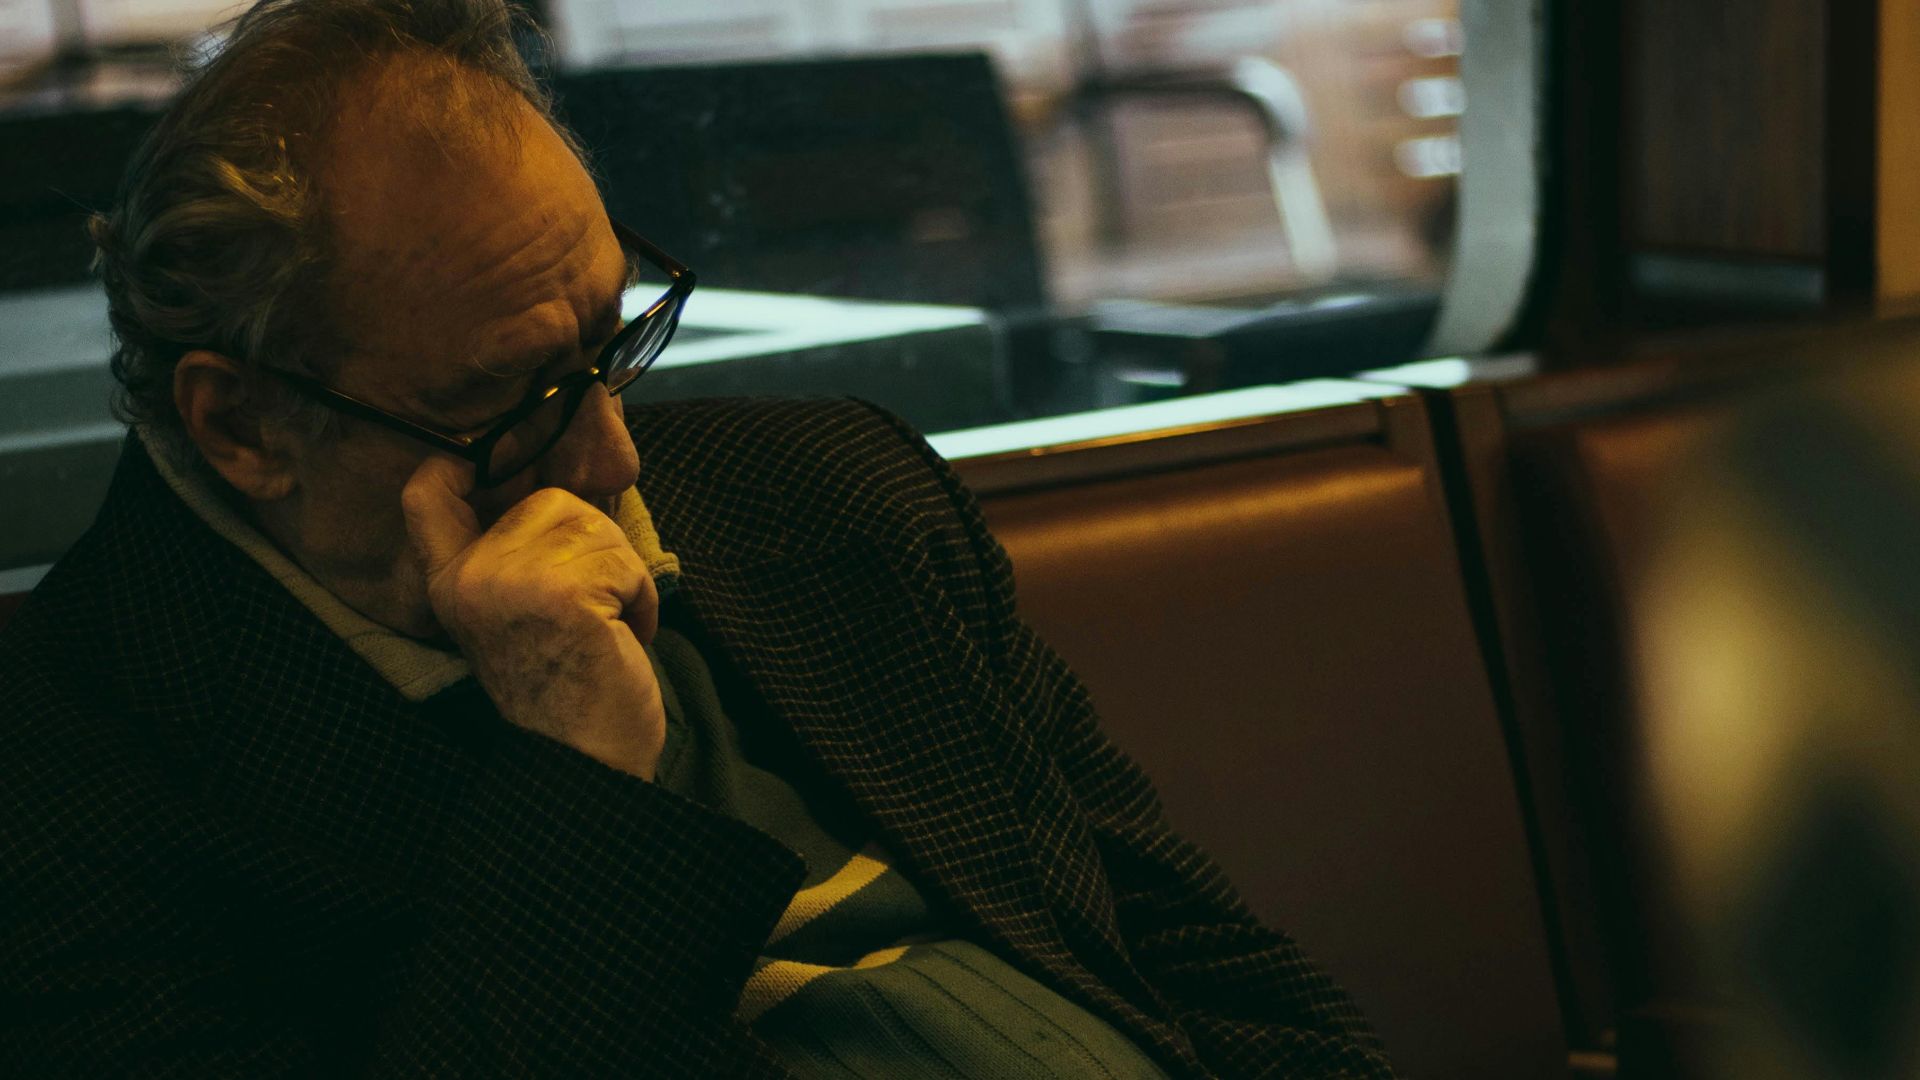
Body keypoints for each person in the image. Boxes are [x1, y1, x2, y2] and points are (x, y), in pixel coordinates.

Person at [0, 0, 1394, 1075]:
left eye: (614, 344)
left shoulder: (828, 493)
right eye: (507, 403)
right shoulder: (68, 774)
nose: (613, 458)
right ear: (245, 428)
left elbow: (1203, 971)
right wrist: (578, 784)